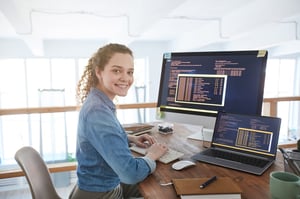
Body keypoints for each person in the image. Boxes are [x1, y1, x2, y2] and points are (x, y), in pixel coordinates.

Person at [69, 43, 168, 199]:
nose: (126, 78)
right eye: (116, 71)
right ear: (99, 72)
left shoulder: (99, 102)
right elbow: (130, 174)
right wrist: (151, 156)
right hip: (101, 194)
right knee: (164, 192)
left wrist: (130, 138)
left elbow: (101, 138)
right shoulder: (98, 111)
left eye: (130, 72)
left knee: (159, 188)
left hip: (99, 186)